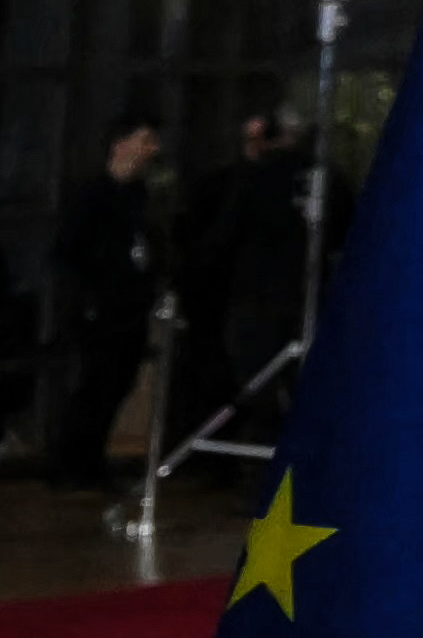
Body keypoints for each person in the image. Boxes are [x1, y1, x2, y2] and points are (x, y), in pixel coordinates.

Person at [164, 103, 312, 460]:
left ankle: (259, 468)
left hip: (255, 298)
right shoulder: (325, 180)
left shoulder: (252, 180)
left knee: (256, 382)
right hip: (304, 298)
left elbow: (222, 238)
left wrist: (188, 274)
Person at [33, 117, 164, 485]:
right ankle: (69, 463)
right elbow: (67, 253)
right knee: (95, 385)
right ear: (119, 145)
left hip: (129, 307)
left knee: (117, 384)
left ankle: (89, 460)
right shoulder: (91, 196)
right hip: (100, 309)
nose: (151, 150)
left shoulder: (139, 197)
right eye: (144, 140)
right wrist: (86, 299)